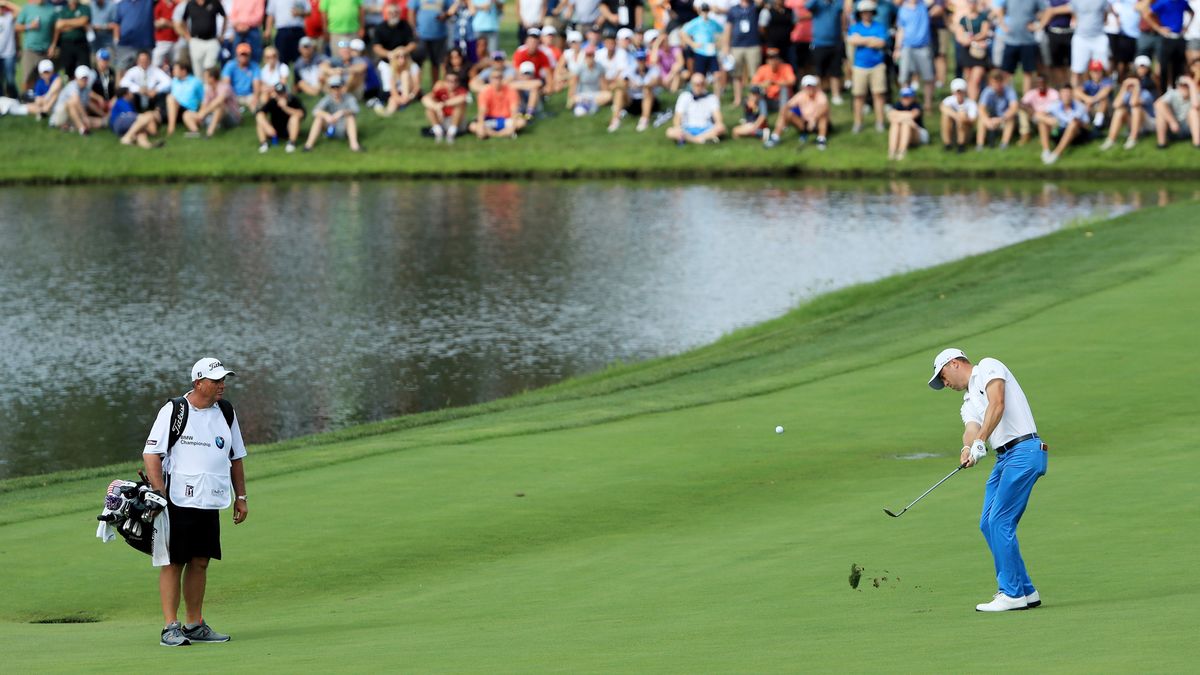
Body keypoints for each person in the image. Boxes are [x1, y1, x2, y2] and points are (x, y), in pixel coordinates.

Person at [927, 348, 1046, 613]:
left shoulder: (988, 367)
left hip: (1024, 451)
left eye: (943, 376)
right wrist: (967, 448)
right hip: (1004, 459)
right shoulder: (968, 401)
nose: (944, 383)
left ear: (955, 363)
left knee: (1000, 521)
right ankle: (1026, 590)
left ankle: (1011, 593)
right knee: (987, 523)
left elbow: (997, 403)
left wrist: (981, 440)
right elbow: (970, 429)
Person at [142, 357, 248, 646]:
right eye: (216, 380)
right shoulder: (175, 410)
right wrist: (159, 492)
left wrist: (241, 496)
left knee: (200, 561)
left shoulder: (225, 411)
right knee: (173, 561)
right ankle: (169, 627)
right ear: (198, 382)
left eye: (223, 379)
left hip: (210, 499)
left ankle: (194, 624)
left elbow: (236, 456)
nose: (221, 385)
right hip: (176, 499)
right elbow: (151, 454)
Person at [847, 0, 887, 133]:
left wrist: (862, 40)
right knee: (859, 96)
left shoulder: (879, 26)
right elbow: (851, 40)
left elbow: (881, 43)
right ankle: (858, 123)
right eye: (864, 12)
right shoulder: (855, 27)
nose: (866, 15)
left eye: (869, 12)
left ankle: (880, 122)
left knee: (878, 95)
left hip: (877, 65)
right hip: (860, 66)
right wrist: (871, 40)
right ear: (860, 14)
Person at [1101, 53, 1157, 149]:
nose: (1141, 70)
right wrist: (1123, 87)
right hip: (1134, 121)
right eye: (1139, 67)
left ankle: (1133, 139)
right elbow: (1116, 104)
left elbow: (1133, 102)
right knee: (1120, 110)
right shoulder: (1130, 87)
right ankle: (1111, 140)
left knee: (1136, 108)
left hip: (1149, 123)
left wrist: (1137, 86)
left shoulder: (1149, 87)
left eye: (1144, 67)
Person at [767, 73, 829, 147]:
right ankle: (775, 136)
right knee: (787, 112)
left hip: (817, 122)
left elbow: (824, 108)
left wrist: (814, 119)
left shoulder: (821, 95)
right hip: (804, 122)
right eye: (808, 86)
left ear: (815, 87)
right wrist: (783, 115)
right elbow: (788, 105)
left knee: (823, 116)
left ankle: (821, 139)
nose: (810, 88)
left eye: (811, 86)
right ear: (804, 87)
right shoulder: (801, 95)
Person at [303, 74, 364, 150]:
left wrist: (342, 112)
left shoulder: (349, 97)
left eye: (337, 87)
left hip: (344, 127)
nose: (336, 90)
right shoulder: (327, 98)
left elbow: (356, 109)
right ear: (330, 89)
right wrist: (326, 115)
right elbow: (315, 111)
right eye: (333, 87)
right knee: (319, 118)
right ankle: (308, 145)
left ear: (342, 87)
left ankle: (354, 145)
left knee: (350, 117)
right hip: (330, 126)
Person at [893, 0, 934, 110]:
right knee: (904, 77)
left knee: (928, 78)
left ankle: (928, 105)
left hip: (923, 47)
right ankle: (906, 103)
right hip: (907, 47)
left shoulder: (923, 5)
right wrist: (897, 48)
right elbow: (900, 30)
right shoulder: (902, 10)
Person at [666, 70, 726, 143]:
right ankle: (701, 139)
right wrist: (678, 127)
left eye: (701, 84)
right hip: (688, 128)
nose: (699, 86)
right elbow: (677, 117)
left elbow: (718, 117)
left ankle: (693, 139)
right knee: (670, 131)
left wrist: (718, 123)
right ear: (691, 84)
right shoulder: (684, 96)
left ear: (705, 84)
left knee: (721, 128)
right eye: (696, 84)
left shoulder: (712, 98)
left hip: (706, 128)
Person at [1140, 0, 1189, 89]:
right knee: (1164, 69)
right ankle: (1163, 93)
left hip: (1179, 38)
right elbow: (1147, 14)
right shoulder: (1163, 2)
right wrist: (1158, 28)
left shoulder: (1182, 2)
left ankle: (1175, 92)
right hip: (1166, 39)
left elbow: (1191, 12)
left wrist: (1187, 26)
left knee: (1178, 69)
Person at [1036, 82, 1090, 162]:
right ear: (1060, 95)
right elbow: (1038, 115)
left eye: (1068, 93)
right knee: (1042, 122)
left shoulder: (1080, 106)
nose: (1066, 96)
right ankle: (1046, 151)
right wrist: (1048, 120)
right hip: (1059, 131)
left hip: (1076, 134)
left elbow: (1087, 125)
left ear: (1072, 94)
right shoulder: (1054, 105)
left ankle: (1056, 154)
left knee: (1073, 123)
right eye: (1064, 93)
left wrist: (1078, 123)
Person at [995, 0, 1042, 90]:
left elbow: (1046, 10)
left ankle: (1025, 101)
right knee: (1006, 72)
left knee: (1028, 72)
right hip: (1011, 41)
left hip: (1028, 41)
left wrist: (1039, 25)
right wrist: (1003, 24)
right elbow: (999, 9)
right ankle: (1009, 98)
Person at [723, 0, 761, 107]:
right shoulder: (733, 9)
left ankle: (754, 99)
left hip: (753, 45)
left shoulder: (755, 6)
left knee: (755, 75)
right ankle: (738, 99)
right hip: (736, 45)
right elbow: (728, 28)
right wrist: (726, 46)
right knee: (736, 74)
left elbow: (761, 3)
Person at [680, 4, 724, 95]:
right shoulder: (696, 22)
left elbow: (722, 31)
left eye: (706, 10)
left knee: (717, 75)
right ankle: (697, 94)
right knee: (699, 76)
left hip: (711, 52)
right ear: (700, 11)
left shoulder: (713, 23)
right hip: (700, 52)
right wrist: (692, 43)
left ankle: (717, 97)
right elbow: (683, 32)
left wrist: (719, 43)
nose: (705, 13)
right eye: (703, 10)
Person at [805, 0, 843, 104]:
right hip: (819, 43)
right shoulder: (817, 4)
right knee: (818, 72)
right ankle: (819, 95)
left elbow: (845, 7)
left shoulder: (836, 3)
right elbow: (808, 5)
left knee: (835, 71)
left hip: (835, 43)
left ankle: (836, 95)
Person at [15, 0, 57, 92]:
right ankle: (26, 100)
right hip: (30, 50)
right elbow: (17, 27)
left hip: (45, 50)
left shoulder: (51, 9)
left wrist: (53, 45)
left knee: (45, 78)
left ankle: (42, 100)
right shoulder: (27, 8)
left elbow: (55, 29)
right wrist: (29, 26)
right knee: (27, 78)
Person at [953, 0, 991, 101]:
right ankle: (970, 101)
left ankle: (973, 102)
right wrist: (967, 41)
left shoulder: (982, 17)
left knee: (976, 79)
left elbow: (984, 32)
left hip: (979, 52)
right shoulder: (963, 19)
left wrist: (972, 39)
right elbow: (959, 35)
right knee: (968, 78)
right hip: (967, 52)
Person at [471, 68, 525, 137]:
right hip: (490, 119)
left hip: (506, 119)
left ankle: (494, 133)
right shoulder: (485, 92)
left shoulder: (511, 90)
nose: (497, 80)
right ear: (490, 79)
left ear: (502, 79)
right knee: (473, 126)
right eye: (494, 78)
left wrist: (513, 127)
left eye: (499, 77)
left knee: (521, 122)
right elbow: (482, 111)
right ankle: (503, 133)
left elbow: (514, 110)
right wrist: (481, 126)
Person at [177, 0, 226, 74]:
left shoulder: (214, 2)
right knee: (198, 71)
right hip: (196, 41)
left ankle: (209, 85)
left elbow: (225, 17)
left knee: (210, 69)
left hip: (211, 41)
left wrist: (222, 34)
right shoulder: (190, 4)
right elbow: (183, 20)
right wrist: (187, 35)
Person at [50, 0, 93, 80]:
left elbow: (83, 21)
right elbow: (58, 26)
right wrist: (77, 23)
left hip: (81, 43)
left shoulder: (84, 8)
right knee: (68, 70)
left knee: (85, 68)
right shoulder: (63, 10)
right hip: (67, 44)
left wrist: (65, 23)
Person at [257, 81, 306, 151]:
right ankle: (263, 143)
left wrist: (285, 108)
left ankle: (291, 143)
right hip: (275, 130)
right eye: (278, 94)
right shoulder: (272, 101)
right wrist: (267, 126)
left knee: (295, 118)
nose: (281, 96)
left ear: (286, 92)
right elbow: (259, 114)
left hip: (289, 129)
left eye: (282, 93)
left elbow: (301, 114)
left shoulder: (293, 100)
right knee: (260, 121)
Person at [421, 68, 467, 141]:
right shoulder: (441, 91)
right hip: (442, 119)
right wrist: (436, 107)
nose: (452, 84)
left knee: (459, 108)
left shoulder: (461, 91)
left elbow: (462, 99)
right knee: (429, 110)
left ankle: (452, 133)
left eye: (454, 81)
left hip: (457, 122)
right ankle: (438, 132)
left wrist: (443, 104)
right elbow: (425, 99)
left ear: (458, 82)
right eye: (449, 81)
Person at [1152, 74, 1199, 148]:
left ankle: (1197, 143)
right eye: (1182, 85)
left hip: (1188, 128)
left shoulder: (1195, 95)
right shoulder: (1172, 93)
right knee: (1160, 113)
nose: (1184, 87)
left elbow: (1195, 105)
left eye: (1186, 85)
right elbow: (1158, 104)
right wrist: (1172, 122)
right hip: (1173, 128)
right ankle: (1161, 144)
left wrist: (1191, 83)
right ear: (1177, 86)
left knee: (1194, 112)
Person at [977, 68, 1018, 148]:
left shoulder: (1009, 90)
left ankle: (1004, 144)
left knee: (1011, 118)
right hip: (992, 119)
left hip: (1004, 118)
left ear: (1002, 81)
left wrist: (1001, 119)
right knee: (981, 119)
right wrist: (987, 120)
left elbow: (1014, 108)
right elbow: (981, 108)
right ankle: (980, 145)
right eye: (994, 82)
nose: (997, 85)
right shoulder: (987, 91)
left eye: (999, 82)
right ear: (990, 82)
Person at [114, 0, 157, 73]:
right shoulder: (121, 4)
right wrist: (116, 39)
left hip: (145, 44)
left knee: (146, 70)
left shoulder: (148, 1)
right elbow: (117, 23)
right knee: (122, 70)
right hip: (125, 44)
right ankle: (120, 85)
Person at [886, 84, 926, 159]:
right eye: (904, 97)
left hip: (919, 134)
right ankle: (892, 151)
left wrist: (897, 115)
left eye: (908, 97)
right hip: (905, 130)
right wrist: (904, 117)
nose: (906, 99)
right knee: (895, 124)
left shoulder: (916, 106)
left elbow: (913, 115)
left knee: (906, 124)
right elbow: (890, 117)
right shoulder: (898, 105)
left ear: (913, 97)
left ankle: (902, 151)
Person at [166, 60, 205, 134]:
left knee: (170, 98)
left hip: (188, 109)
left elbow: (203, 99)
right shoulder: (174, 81)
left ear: (183, 71)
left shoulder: (196, 82)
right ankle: (171, 127)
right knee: (170, 98)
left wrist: (201, 113)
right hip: (175, 109)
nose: (173, 71)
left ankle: (171, 129)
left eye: (175, 69)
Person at [266, 0, 310, 65]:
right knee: (282, 60)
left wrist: (300, 13)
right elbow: (270, 14)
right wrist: (268, 30)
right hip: (282, 31)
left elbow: (309, 11)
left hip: (298, 31)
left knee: (300, 60)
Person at [940, 76, 977, 152]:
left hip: (966, 132)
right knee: (946, 116)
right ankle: (948, 143)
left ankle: (961, 144)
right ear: (953, 92)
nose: (959, 94)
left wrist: (963, 118)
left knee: (962, 114)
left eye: (961, 91)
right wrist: (957, 116)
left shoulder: (971, 103)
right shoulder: (949, 100)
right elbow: (942, 107)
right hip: (953, 130)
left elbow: (972, 121)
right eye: (957, 92)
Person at [222, 42, 263, 108]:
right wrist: (229, 96)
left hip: (249, 95)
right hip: (234, 95)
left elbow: (257, 84)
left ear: (249, 55)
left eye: (246, 54)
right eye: (242, 54)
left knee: (257, 107)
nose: (244, 56)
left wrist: (256, 98)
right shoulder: (230, 65)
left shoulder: (255, 66)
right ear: (237, 55)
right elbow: (226, 84)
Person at [1076, 58, 1113, 127]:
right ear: (1090, 72)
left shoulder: (1106, 81)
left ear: (1102, 71)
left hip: (1107, 110)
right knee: (1077, 98)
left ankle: (1097, 124)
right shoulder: (1088, 83)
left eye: (1099, 70)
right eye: (1094, 71)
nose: (1097, 73)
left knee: (1103, 99)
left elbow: (1105, 91)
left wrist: (1092, 100)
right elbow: (1076, 91)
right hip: (1091, 106)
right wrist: (1086, 98)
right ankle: (1079, 118)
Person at [150, 0, 180, 69]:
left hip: (175, 41)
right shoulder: (158, 5)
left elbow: (179, 24)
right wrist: (161, 24)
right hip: (161, 41)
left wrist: (166, 23)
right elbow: (154, 24)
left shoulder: (175, 5)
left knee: (175, 65)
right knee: (156, 65)